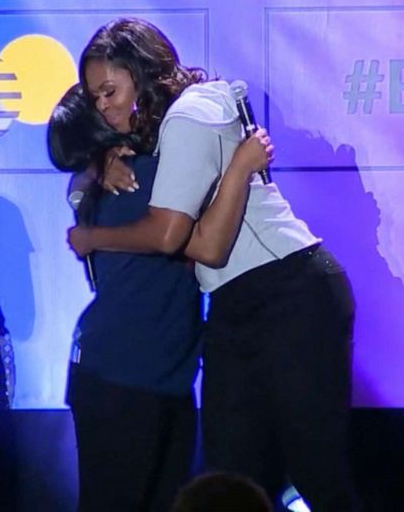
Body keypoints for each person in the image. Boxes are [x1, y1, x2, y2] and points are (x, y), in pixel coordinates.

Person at [68, 18, 360, 511]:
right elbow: (78, 167)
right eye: (95, 96)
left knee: (316, 471)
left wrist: (90, 237)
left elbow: (181, 239)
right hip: (235, 303)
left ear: (141, 73)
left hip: (290, 291)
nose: (103, 106)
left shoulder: (190, 114)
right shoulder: (163, 127)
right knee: (230, 478)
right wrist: (102, 163)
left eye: (110, 90)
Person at [49, 82, 270, 512]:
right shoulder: (135, 179)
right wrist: (240, 167)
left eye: (112, 95)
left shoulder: (113, 177)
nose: (115, 106)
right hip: (126, 374)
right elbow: (190, 242)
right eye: (103, 103)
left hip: (150, 371)